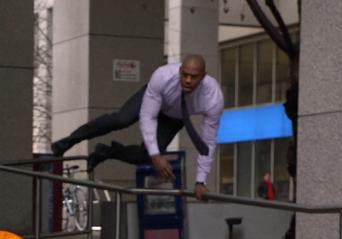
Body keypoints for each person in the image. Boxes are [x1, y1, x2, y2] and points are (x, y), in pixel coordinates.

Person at [51, 54, 224, 201]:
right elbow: (147, 117)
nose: (188, 80)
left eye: (194, 77)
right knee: (121, 120)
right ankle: (68, 141)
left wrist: (201, 182)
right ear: (179, 71)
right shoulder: (163, 76)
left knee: (144, 156)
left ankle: (107, 152)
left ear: (203, 76)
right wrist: (156, 155)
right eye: (185, 75)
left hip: (174, 118)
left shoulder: (213, 98)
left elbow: (208, 141)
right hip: (154, 100)